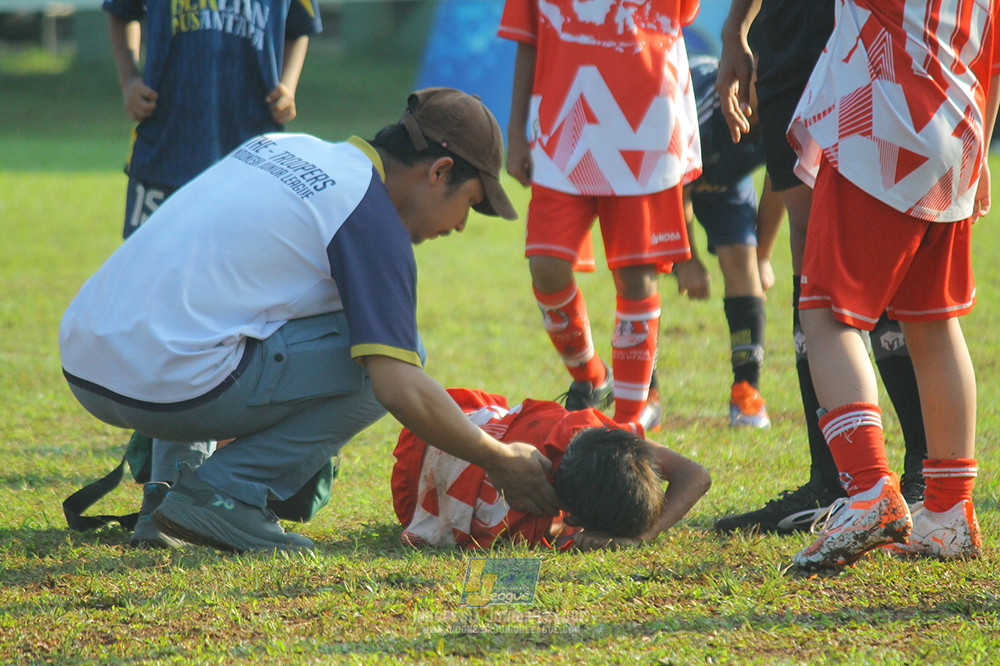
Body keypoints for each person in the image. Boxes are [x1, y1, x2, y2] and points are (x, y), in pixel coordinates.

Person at [59, 88, 562, 553]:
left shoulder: (284, 146)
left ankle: (166, 496)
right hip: (167, 387)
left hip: (87, 358)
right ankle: (225, 494)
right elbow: (398, 387)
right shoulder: (369, 215)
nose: (461, 225)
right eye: (469, 203)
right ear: (439, 171)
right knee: (395, 358)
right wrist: (498, 457)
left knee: (215, 315)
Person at [786, 0, 998, 568]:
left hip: (881, 126)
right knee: (933, 323)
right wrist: (978, 156)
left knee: (826, 311)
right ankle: (949, 512)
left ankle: (869, 491)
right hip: (960, 132)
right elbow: (993, 63)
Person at [104, 0, 321, 547]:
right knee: (166, 321)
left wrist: (289, 84)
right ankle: (169, 494)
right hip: (170, 154)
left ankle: (205, 493)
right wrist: (129, 79)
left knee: (234, 317)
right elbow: (119, 10)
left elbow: (299, 26)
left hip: (250, 159)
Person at [712, 0, 929, 534]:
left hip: (869, 26)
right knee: (809, 242)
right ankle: (832, 485)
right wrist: (736, 28)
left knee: (874, 231)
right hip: (786, 34)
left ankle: (925, 480)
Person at [499, 0, 703, 432]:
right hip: (561, 126)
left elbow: (679, 17)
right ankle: (592, 376)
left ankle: (628, 423)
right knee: (546, 265)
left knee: (635, 277)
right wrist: (516, 130)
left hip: (645, 128)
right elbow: (528, 39)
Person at [391, 388, 711, 551]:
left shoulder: (578, 426)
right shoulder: (528, 527)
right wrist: (641, 537)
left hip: (439, 417)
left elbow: (697, 476)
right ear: (574, 519)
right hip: (412, 486)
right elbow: (697, 475)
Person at [670, 54, 786, 429]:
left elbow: (779, 183)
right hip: (664, 175)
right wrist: (685, 259)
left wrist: (763, 255)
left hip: (725, 181)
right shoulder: (705, 111)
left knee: (743, 264)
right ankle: (643, 395)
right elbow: (675, 185)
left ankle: (746, 394)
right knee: (643, 269)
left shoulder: (784, 110)